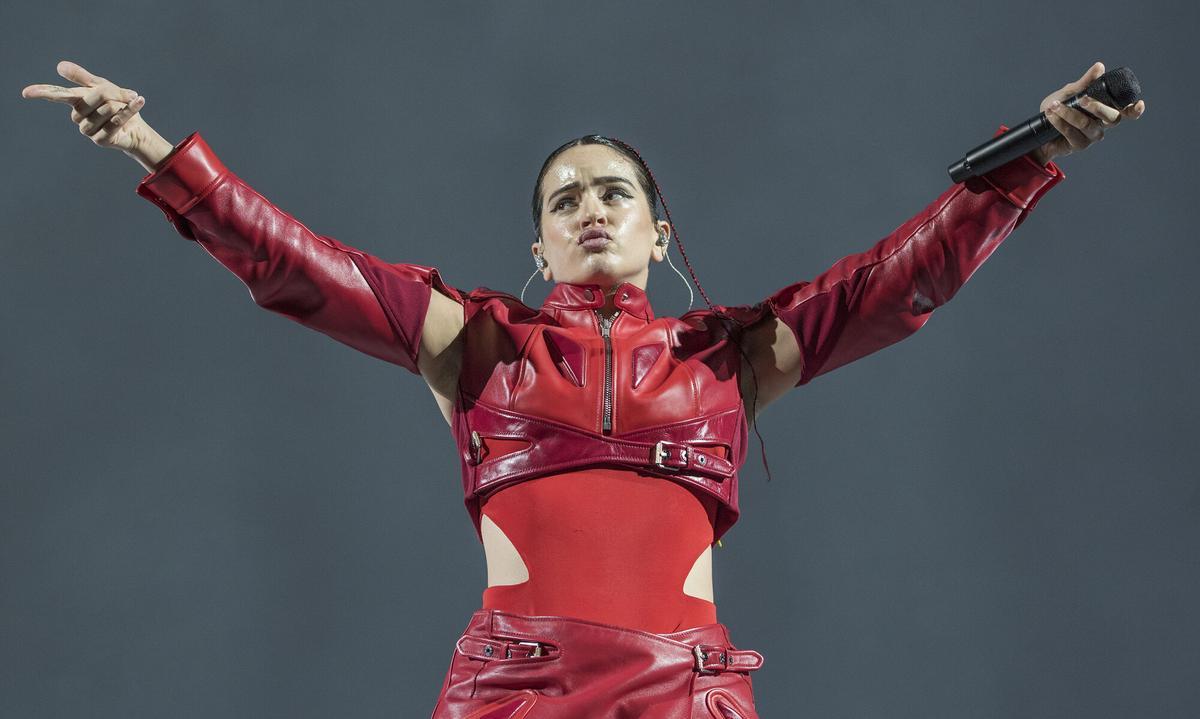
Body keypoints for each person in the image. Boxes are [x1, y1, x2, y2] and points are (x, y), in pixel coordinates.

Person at [23, 59, 1145, 719]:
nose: (592, 208)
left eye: (615, 193)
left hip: (687, 695)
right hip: (517, 692)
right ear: (541, 245)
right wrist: (153, 147)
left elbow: (899, 283)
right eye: (566, 200)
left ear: (660, 233)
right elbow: (301, 267)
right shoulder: (475, 345)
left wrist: (1030, 155)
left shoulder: (732, 358)